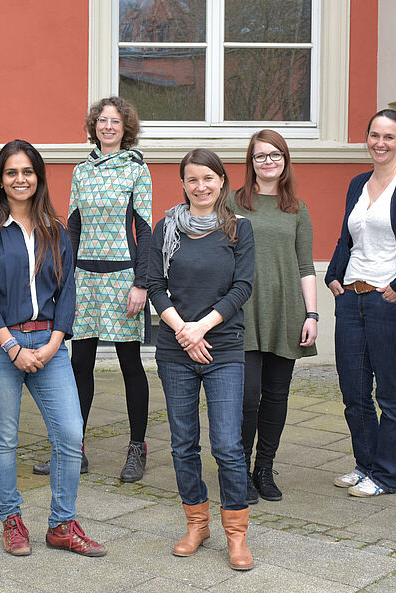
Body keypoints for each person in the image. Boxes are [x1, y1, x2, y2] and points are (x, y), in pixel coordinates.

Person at [0, 139, 106, 558]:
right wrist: (13, 348)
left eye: (27, 171)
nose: (20, 179)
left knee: (70, 433)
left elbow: (68, 293)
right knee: (4, 438)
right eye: (12, 172)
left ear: (38, 177)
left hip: (49, 345)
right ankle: (11, 520)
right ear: (0, 181)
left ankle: (62, 525)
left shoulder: (55, 230)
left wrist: (53, 344)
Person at [146, 148, 255, 571]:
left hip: (223, 348)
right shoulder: (165, 228)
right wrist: (183, 331)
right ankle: (197, 524)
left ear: (221, 181)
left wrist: (201, 328)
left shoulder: (238, 229)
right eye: (192, 179)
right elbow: (155, 285)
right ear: (183, 184)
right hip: (176, 351)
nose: (201, 186)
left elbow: (242, 287)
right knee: (183, 443)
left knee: (227, 444)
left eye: (208, 178)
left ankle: (236, 534)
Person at [34, 97, 153, 482]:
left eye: (115, 121)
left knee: (130, 365)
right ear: (94, 126)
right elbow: (73, 227)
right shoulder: (81, 171)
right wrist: (64, 279)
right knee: (79, 364)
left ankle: (136, 448)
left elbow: (145, 230)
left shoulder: (137, 170)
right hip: (84, 279)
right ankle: (74, 450)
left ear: (125, 127)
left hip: (123, 280)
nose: (108, 126)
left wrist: (141, 283)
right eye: (102, 120)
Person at [325, 109, 396, 498]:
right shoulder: (358, 182)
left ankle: (388, 475)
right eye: (375, 135)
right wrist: (333, 274)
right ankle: (366, 466)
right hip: (350, 298)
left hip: (391, 301)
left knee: (390, 393)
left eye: (389, 136)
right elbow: (348, 236)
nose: (380, 143)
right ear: (367, 138)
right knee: (353, 393)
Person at [229, 130, 317, 504]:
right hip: (243, 312)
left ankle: (264, 469)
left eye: (275, 155)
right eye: (260, 156)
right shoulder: (231, 202)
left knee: (276, 396)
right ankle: (239, 469)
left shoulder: (297, 208)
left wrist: (312, 314)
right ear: (251, 162)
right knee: (247, 398)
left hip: (285, 311)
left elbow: (305, 266)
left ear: (285, 160)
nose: (268, 162)